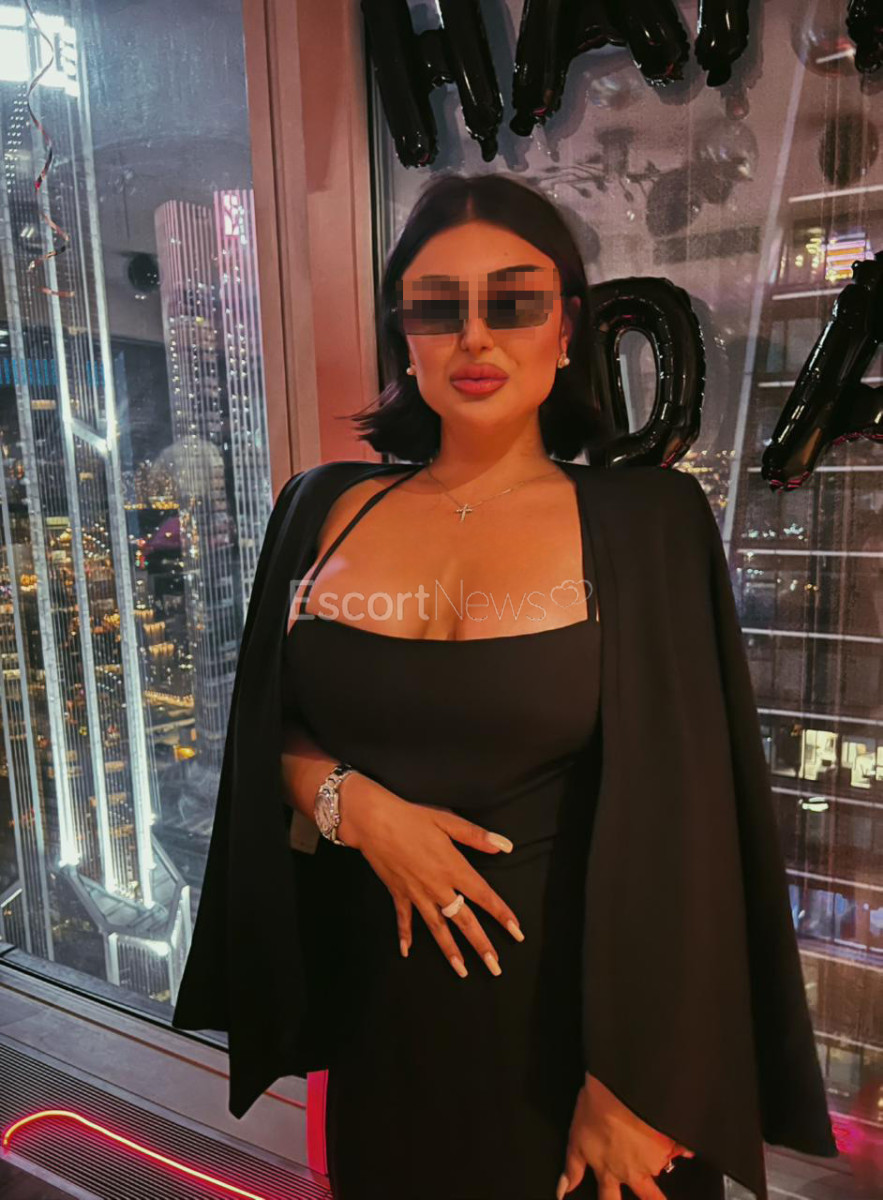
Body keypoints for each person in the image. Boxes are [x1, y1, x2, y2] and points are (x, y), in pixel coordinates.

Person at [171, 171, 837, 1200]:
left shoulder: (648, 523)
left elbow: (698, 820)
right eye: (437, 308)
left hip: (595, 1064)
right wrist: (351, 805)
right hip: (384, 1035)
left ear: (565, 328)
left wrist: (646, 1085)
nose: (473, 336)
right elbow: (270, 728)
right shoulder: (320, 508)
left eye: (512, 303)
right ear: (403, 335)